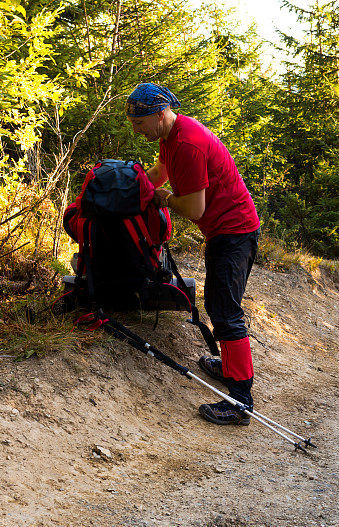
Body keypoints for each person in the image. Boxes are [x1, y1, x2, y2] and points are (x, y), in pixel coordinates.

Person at [126, 82, 260, 426]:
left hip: (235, 232)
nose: (136, 129)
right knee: (218, 305)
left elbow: (195, 208)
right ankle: (228, 367)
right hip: (224, 231)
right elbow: (159, 173)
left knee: (225, 311)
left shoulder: (186, 144)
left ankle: (241, 400)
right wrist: (132, 183)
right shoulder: (170, 137)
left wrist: (165, 199)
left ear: (159, 114)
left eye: (139, 123)